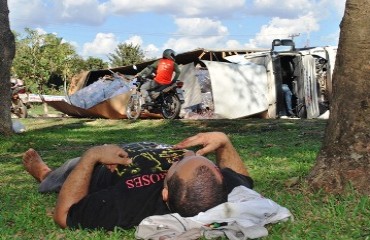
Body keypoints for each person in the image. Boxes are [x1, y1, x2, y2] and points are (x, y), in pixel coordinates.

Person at [22, 132, 253, 231]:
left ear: (165, 193)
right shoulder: (219, 186)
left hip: (101, 167)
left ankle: (45, 174)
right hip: (141, 147)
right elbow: (243, 178)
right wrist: (224, 142)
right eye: (200, 159)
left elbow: (64, 216)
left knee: (70, 169)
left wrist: (92, 157)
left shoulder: (130, 203)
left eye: (179, 163)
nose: (189, 154)